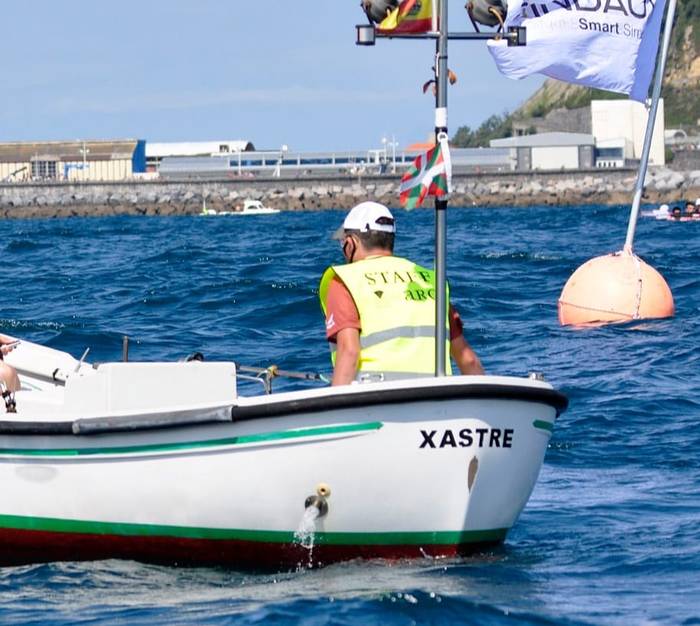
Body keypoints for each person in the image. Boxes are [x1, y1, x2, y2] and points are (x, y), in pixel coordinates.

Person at [319, 201, 484, 386]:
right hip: (436, 396)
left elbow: (349, 352)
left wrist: (337, 409)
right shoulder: (430, 280)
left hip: (375, 400)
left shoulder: (345, 280)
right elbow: (468, 360)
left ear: (351, 243)